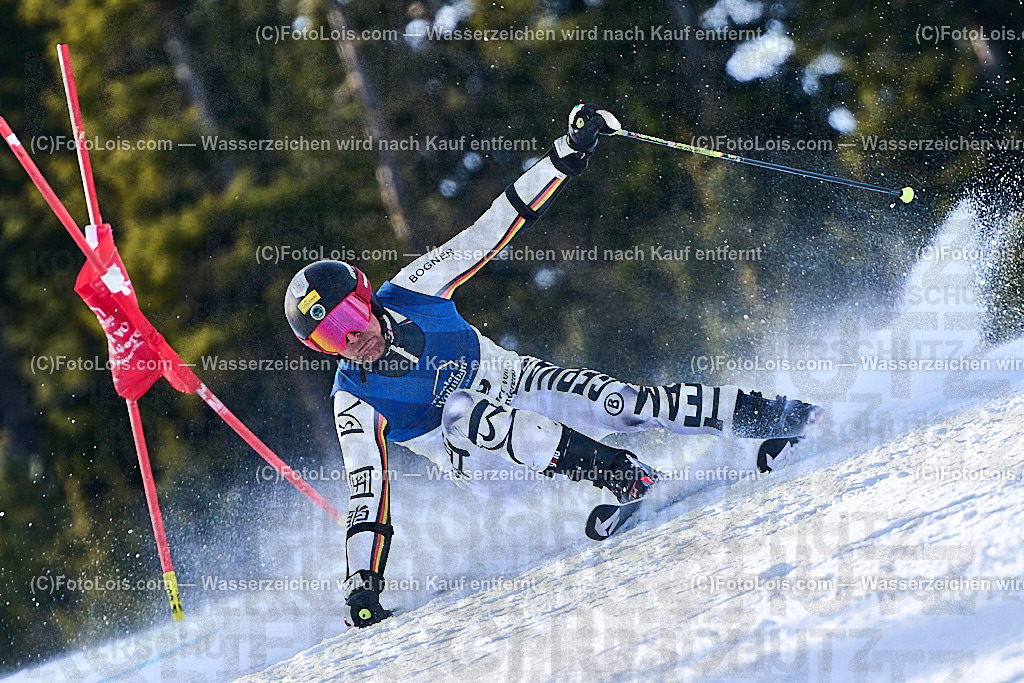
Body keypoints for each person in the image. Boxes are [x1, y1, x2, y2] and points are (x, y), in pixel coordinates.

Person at [284, 104, 820, 628]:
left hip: (519, 381)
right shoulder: (353, 397)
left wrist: (565, 153)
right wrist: (362, 583)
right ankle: (623, 477)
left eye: (350, 318)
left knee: (628, 403)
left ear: (366, 296)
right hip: (480, 459)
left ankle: (786, 418)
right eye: (330, 338)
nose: (352, 340)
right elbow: (366, 489)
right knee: (470, 411)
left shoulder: (414, 289)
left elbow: (489, 229)